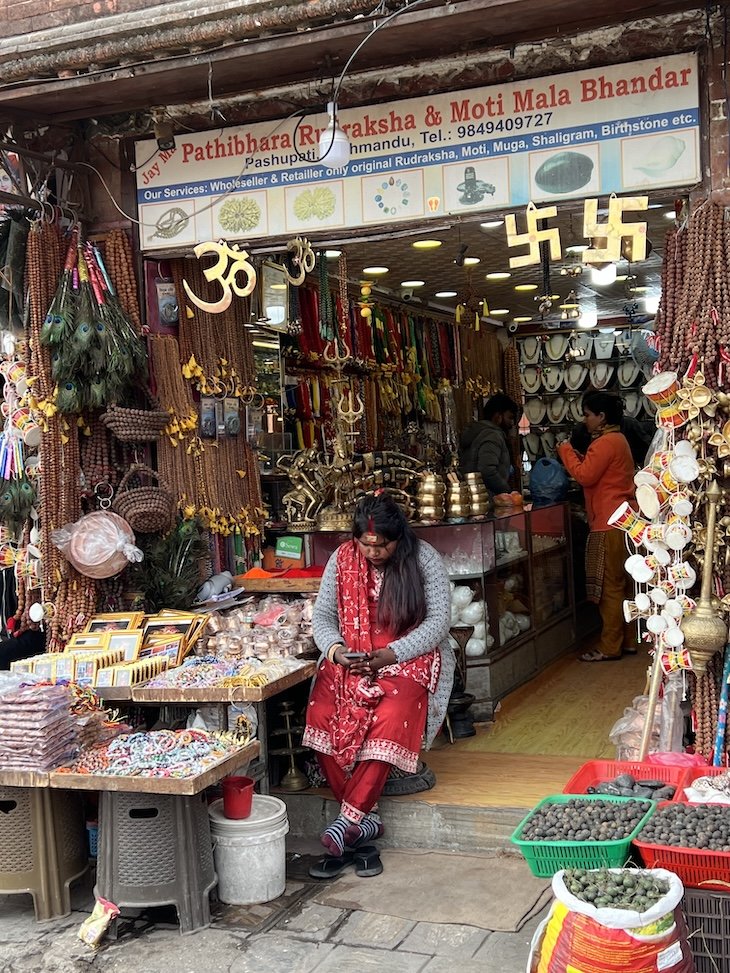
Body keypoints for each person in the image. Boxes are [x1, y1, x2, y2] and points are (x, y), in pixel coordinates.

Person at [303, 492, 454, 861]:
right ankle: (364, 818)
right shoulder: (341, 559)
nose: (372, 552)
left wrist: (392, 654)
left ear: (398, 538)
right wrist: (337, 651)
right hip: (351, 656)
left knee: (389, 715)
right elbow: (322, 618)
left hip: (406, 656)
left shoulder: (423, 559)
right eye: (365, 544)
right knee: (322, 714)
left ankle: (349, 818)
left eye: (381, 545)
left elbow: (438, 622)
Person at [557, 391, 638, 662]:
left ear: (601, 417)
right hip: (624, 521)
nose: (585, 419)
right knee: (623, 586)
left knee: (609, 589)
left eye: (587, 414)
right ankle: (627, 642)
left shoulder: (605, 443)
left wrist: (566, 450)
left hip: (608, 522)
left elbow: (584, 475)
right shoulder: (619, 440)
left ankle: (609, 647)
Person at [458, 393, 520, 495]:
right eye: (510, 417)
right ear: (498, 416)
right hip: (488, 498)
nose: (512, 423)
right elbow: (487, 470)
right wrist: (507, 493)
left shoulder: (483, 433)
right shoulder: (492, 436)